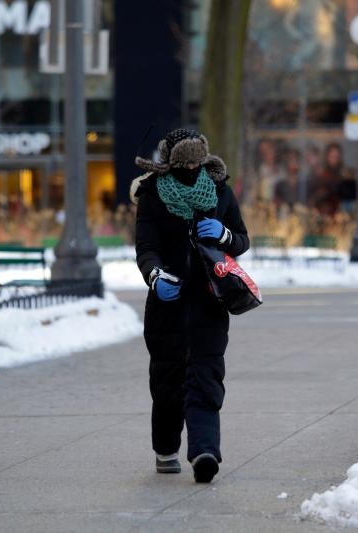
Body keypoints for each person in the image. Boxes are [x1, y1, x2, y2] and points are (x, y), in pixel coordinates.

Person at [131, 128, 250, 483]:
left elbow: (241, 240)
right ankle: (165, 448)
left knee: (206, 377)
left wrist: (224, 234)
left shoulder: (219, 190)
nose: (192, 169)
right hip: (166, 308)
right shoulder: (152, 195)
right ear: (170, 162)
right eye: (184, 164)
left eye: (196, 162)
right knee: (167, 380)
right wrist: (155, 275)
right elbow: (146, 247)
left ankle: (204, 452)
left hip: (209, 302)